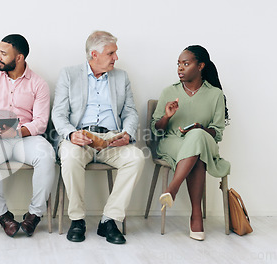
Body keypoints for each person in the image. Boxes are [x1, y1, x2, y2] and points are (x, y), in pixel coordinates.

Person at [52, 31, 145, 244]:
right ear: (94, 54)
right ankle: (77, 219)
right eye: (111, 53)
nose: (116, 58)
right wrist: (71, 134)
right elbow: (58, 113)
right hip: (80, 135)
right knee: (70, 156)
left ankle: (109, 220)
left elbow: (130, 111)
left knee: (137, 158)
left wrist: (128, 134)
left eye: (115, 53)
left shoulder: (121, 77)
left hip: (112, 138)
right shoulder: (69, 74)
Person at [0, 34, 56, 237]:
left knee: (46, 154)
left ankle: (34, 215)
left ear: (19, 58)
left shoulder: (38, 83)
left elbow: (41, 122)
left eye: (3, 53)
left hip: (26, 138)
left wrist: (17, 132)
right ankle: (3, 215)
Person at [152, 45, 230, 241]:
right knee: (197, 154)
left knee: (196, 138)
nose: (180, 68)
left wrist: (200, 130)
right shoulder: (169, 91)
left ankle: (172, 189)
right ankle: (196, 215)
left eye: (186, 64)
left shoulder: (215, 95)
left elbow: (217, 132)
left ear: (201, 66)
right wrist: (167, 117)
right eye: (178, 64)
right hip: (171, 143)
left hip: (205, 141)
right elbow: (156, 129)